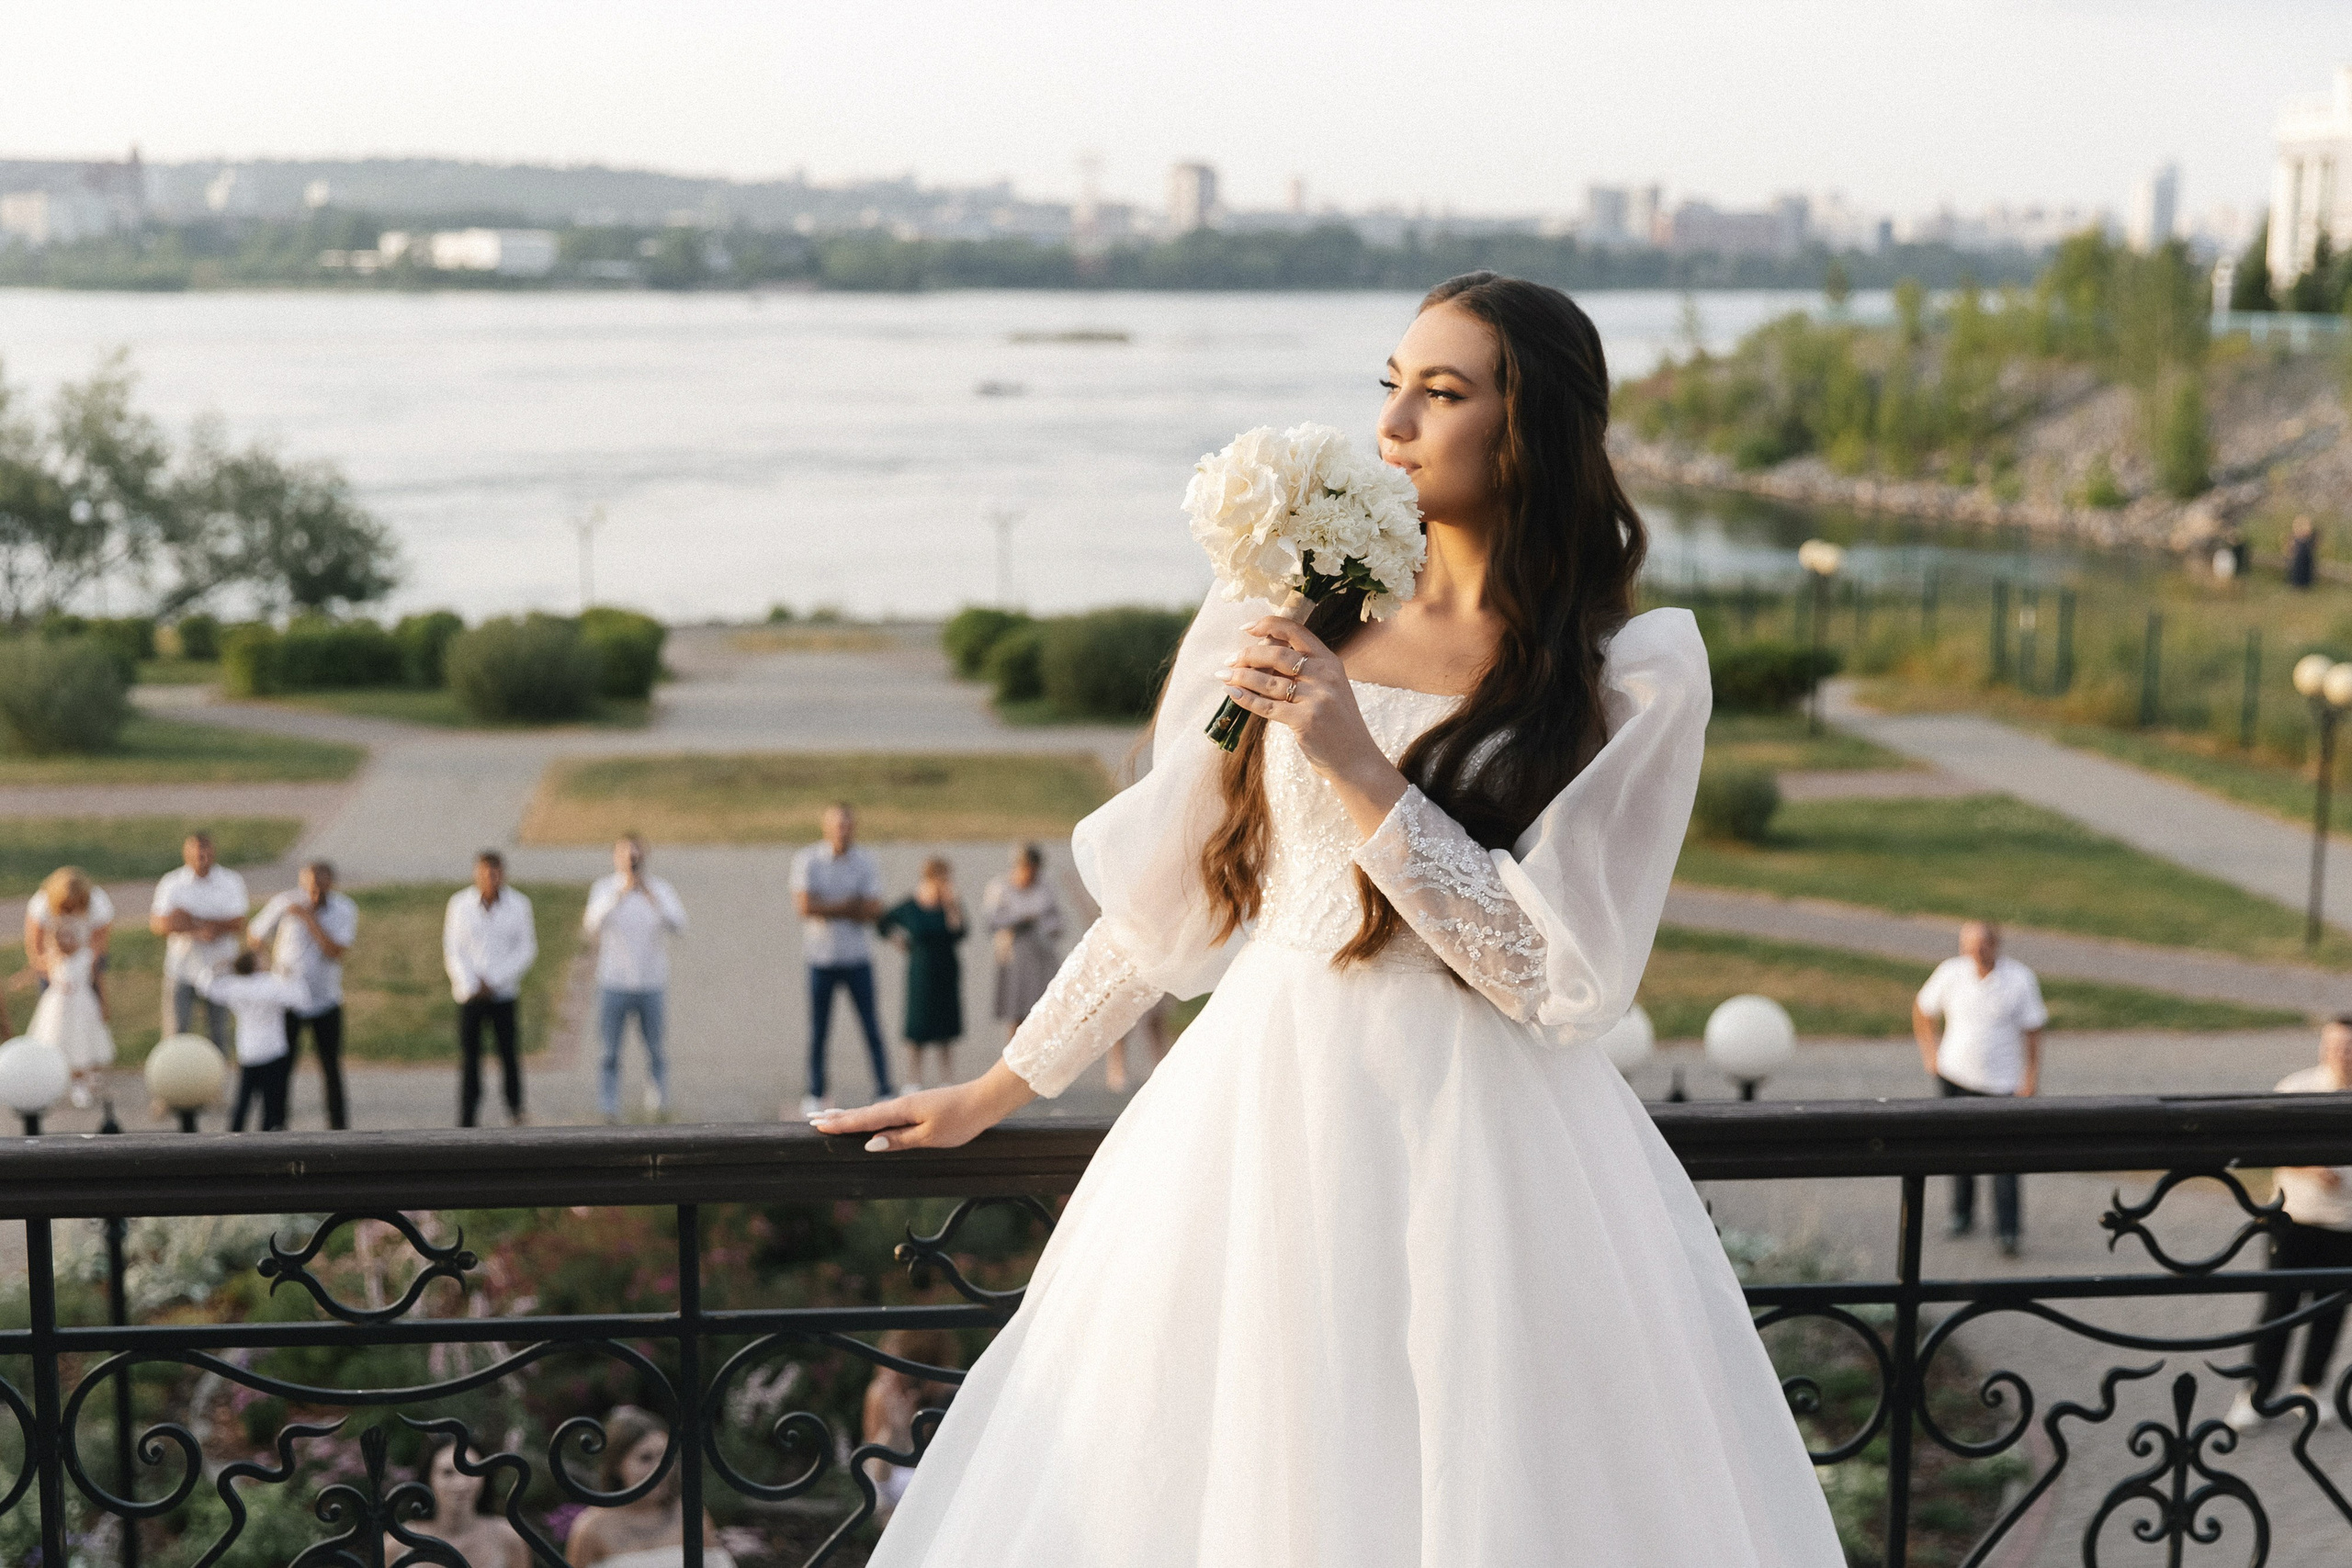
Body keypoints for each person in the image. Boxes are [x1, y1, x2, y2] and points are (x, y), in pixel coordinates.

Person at [815, 273, 1841, 1562]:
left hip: (1488, 1138)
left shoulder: (1619, 672)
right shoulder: (1303, 599)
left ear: (1534, 430)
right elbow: (1183, 890)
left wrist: (1360, 763)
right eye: (1391, 383)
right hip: (1253, 1112)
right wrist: (1003, 1083)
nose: (1396, 423)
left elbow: (1551, 972)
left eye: (1445, 391)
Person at [2228, 1017, 2352, 1433]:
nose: (2342, 1054)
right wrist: (2311, 1167)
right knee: (2278, 1309)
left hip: (2346, 1225)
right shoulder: (2297, 1088)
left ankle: (2311, 1387)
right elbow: (2267, 1147)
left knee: (2330, 1311)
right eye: (2335, 1045)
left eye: (2350, 1047)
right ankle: (2255, 1394)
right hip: (2293, 1219)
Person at [1914, 919, 2048, 1256]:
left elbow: (2032, 1030)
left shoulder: (2019, 979)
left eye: (1979, 945)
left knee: (2005, 1159)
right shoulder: (1950, 973)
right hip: (1954, 1076)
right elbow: (1922, 1008)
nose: (1973, 952)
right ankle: (1962, 1213)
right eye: (1967, 945)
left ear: (1995, 945)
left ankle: (2008, 1230)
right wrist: (1931, 1054)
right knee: (1958, 1151)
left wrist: (2030, 1077)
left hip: (2002, 1084)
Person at [787, 804, 890, 1118]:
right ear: (825, 826)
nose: (842, 830)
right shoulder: (808, 861)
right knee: (819, 1029)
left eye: (847, 824)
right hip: (821, 958)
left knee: (871, 1025)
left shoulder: (865, 862)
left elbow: (873, 909)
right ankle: (816, 1091)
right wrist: (848, 906)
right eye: (836, 824)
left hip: (857, 957)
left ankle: (884, 1088)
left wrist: (828, 907)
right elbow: (805, 907)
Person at [583, 834, 689, 1122]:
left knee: (655, 1048)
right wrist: (621, 893)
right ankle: (609, 1108)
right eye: (625, 855)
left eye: (636, 856)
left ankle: (658, 1105)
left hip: (651, 983)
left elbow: (679, 924)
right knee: (608, 1051)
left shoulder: (660, 889)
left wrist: (649, 895)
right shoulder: (605, 888)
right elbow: (591, 923)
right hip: (614, 982)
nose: (631, 862)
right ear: (615, 857)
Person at [249, 861, 359, 1130]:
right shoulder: (285, 903)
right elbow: (255, 934)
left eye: (319, 887)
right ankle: (276, 1125)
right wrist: (265, 969)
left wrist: (309, 918)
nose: (312, 893)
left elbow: (335, 951)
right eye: (308, 886)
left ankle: (338, 1127)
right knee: (282, 1067)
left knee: (330, 1066)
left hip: (326, 999)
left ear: (330, 884)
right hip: (289, 1000)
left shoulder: (344, 909)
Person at [562, 1405, 732, 1567]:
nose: (660, 1469)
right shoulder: (591, 1528)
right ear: (616, 1465)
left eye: (665, 1457)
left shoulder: (690, 1514)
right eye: (646, 1458)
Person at [443, 851, 537, 1128]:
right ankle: (468, 1115)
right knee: (470, 1057)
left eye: (494, 872)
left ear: (502, 874)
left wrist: (495, 980)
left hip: (503, 992)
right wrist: (471, 982)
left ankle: (515, 1108)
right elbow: (453, 949)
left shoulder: (519, 905)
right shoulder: (459, 905)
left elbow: (526, 949)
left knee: (508, 1053)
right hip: (470, 994)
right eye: (484, 872)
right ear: (476, 874)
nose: (489, 878)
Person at [149, 830, 249, 1050]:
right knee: (176, 1030)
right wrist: (199, 928)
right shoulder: (173, 883)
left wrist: (190, 920)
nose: (201, 859)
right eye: (196, 854)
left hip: (219, 966)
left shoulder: (230, 881)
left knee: (218, 1031)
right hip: (182, 967)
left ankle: (216, 1078)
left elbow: (237, 921)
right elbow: (160, 923)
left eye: (205, 853)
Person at [27, 866, 115, 1102]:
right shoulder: (42, 904)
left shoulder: (97, 904)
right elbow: (35, 947)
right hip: (56, 977)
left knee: (84, 1030)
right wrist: (55, 969)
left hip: (83, 975)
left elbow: (99, 947)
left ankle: (85, 1073)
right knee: (53, 1030)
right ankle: (51, 1076)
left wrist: (84, 968)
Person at [877, 857, 967, 1090]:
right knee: (918, 1028)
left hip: (946, 971)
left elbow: (960, 932)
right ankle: (913, 1080)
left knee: (945, 1029)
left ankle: (947, 1080)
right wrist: (897, 940)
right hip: (921, 972)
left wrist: (951, 905)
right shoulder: (912, 905)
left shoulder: (950, 905)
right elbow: (883, 921)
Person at [199, 947, 306, 1132]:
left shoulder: (235, 986)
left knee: (243, 1102)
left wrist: (216, 967)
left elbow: (205, 987)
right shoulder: (273, 984)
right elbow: (301, 999)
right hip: (273, 1051)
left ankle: (234, 1137)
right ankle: (270, 1138)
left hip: (249, 1052)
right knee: (272, 1103)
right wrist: (291, 976)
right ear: (256, 964)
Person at [860, 1330, 960, 1525]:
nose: (887, 1376)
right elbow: (880, 1476)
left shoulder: (951, 1395)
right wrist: (897, 1428)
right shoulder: (881, 1395)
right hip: (895, 1495)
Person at [386, 1437, 526, 1568]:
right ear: (429, 1478)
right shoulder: (398, 1543)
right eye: (447, 1473)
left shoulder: (508, 1538)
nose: (461, 1484)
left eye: (471, 1471)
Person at [981, 844, 1061, 1042]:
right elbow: (991, 921)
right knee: (1015, 1010)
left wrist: (1042, 924)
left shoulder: (1044, 888)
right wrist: (1019, 919)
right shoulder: (1001, 887)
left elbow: (1056, 922)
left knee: (1041, 1010)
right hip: (1014, 956)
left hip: (1040, 955)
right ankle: (1013, 1058)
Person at [2289, 514, 2319, 589]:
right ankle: (2298, 582)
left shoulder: (2308, 540)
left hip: (2305, 554)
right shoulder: (2297, 540)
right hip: (2300, 556)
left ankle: (2304, 583)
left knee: (2305, 566)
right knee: (2298, 566)